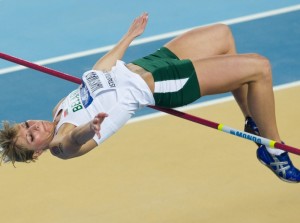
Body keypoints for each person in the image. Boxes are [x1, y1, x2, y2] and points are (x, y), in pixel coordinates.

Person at [0, 13, 299, 183]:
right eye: (30, 137)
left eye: (26, 125)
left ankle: (253, 122)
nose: (33, 127)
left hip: (149, 63)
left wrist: (128, 37)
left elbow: (98, 72)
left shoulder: (58, 111)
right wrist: (90, 128)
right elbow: (75, 139)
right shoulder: (63, 144)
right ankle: (274, 153)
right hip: (161, 84)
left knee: (222, 35)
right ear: (37, 153)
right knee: (260, 68)